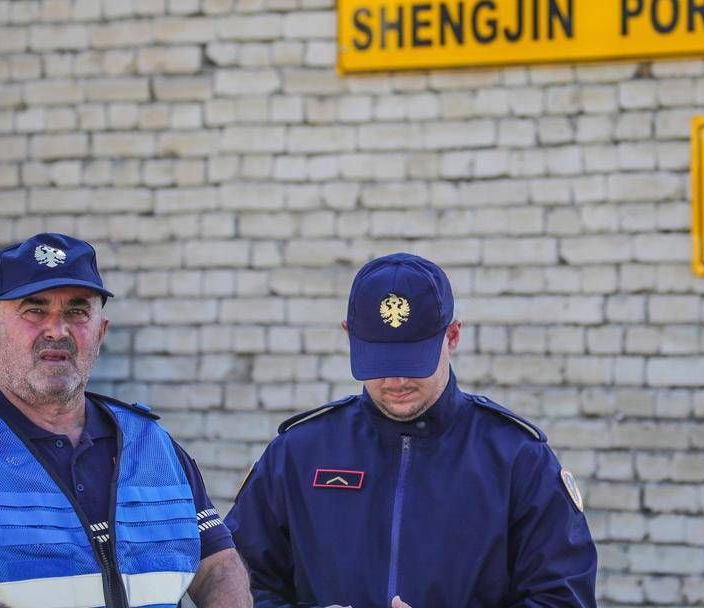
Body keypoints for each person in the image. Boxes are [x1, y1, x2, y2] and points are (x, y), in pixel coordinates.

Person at [0, 232, 252, 608]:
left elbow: (219, 567)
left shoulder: (152, 443)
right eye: (35, 310)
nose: (57, 329)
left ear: (100, 333)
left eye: (77, 311)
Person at [226, 252, 597, 608]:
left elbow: (563, 598)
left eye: (413, 361)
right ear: (349, 336)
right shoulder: (297, 453)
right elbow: (234, 586)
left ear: (452, 336)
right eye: (380, 361)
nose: (396, 380)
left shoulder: (518, 459)